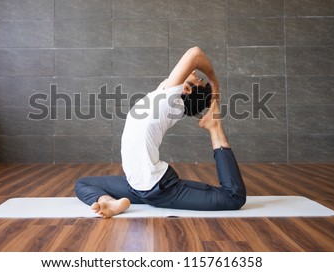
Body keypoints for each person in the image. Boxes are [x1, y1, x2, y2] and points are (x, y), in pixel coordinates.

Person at [74, 46, 246, 218]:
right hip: (136, 185)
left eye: (197, 77)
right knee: (83, 183)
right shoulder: (163, 96)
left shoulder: (170, 98)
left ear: (186, 89)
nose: (193, 71)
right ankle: (110, 202)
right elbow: (183, 70)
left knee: (233, 198)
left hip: (159, 188)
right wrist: (212, 97)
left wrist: (214, 82)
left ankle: (215, 127)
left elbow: (195, 53)